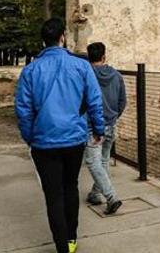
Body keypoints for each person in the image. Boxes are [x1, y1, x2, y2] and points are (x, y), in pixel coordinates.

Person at [15, 18, 104, 253]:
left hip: (44, 142)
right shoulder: (82, 66)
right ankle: (72, 238)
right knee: (70, 187)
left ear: (43, 40)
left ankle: (61, 245)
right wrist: (99, 129)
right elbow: (94, 100)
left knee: (53, 194)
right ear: (63, 37)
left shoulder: (31, 71)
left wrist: (29, 137)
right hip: (73, 139)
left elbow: (23, 110)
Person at [84, 42, 126, 214]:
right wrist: (113, 116)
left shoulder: (87, 75)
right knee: (103, 161)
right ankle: (95, 193)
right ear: (104, 56)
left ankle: (111, 197)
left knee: (93, 162)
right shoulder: (117, 76)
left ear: (89, 57)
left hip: (93, 126)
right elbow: (122, 101)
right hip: (111, 124)